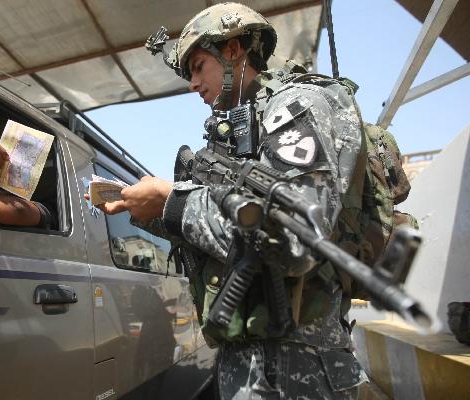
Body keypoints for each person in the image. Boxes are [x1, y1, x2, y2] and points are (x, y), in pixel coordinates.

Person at [93, 3, 367, 399]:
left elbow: (294, 237)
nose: (192, 83)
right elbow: (230, 235)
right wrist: (150, 211)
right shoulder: (244, 132)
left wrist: (172, 202)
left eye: (199, 66)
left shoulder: (295, 107)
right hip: (253, 356)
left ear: (234, 49)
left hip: (296, 365)